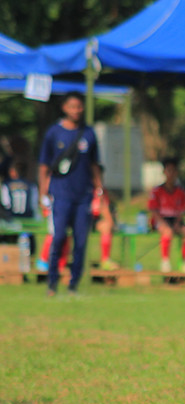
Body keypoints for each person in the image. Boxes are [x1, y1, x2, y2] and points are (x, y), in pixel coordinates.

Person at [37, 92, 104, 295]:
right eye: (72, 106)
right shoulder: (53, 133)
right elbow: (43, 167)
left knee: (81, 241)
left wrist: (99, 191)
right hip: (61, 194)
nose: (76, 110)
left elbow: (94, 165)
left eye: (79, 106)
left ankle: (73, 283)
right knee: (58, 238)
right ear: (64, 108)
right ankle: (52, 281)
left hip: (83, 195)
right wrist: (43, 193)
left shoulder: (89, 133)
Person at [148, 157, 185, 273]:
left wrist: (178, 223)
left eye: (174, 171)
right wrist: (161, 223)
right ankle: (165, 261)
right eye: (169, 170)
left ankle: (182, 261)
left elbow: (182, 210)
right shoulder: (157, 191)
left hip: (175, 220)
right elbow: (153, 210)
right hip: (161, 220)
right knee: (167, 231)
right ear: (164, 172)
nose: (171, 174)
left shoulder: (181, 192)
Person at [91, 165, 119, 270]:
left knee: (106, 226)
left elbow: (105, 208)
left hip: (95, 220)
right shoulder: (83, 189)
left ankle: (105, 260)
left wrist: (112, 223)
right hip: (82, 219)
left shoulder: (101, 192)